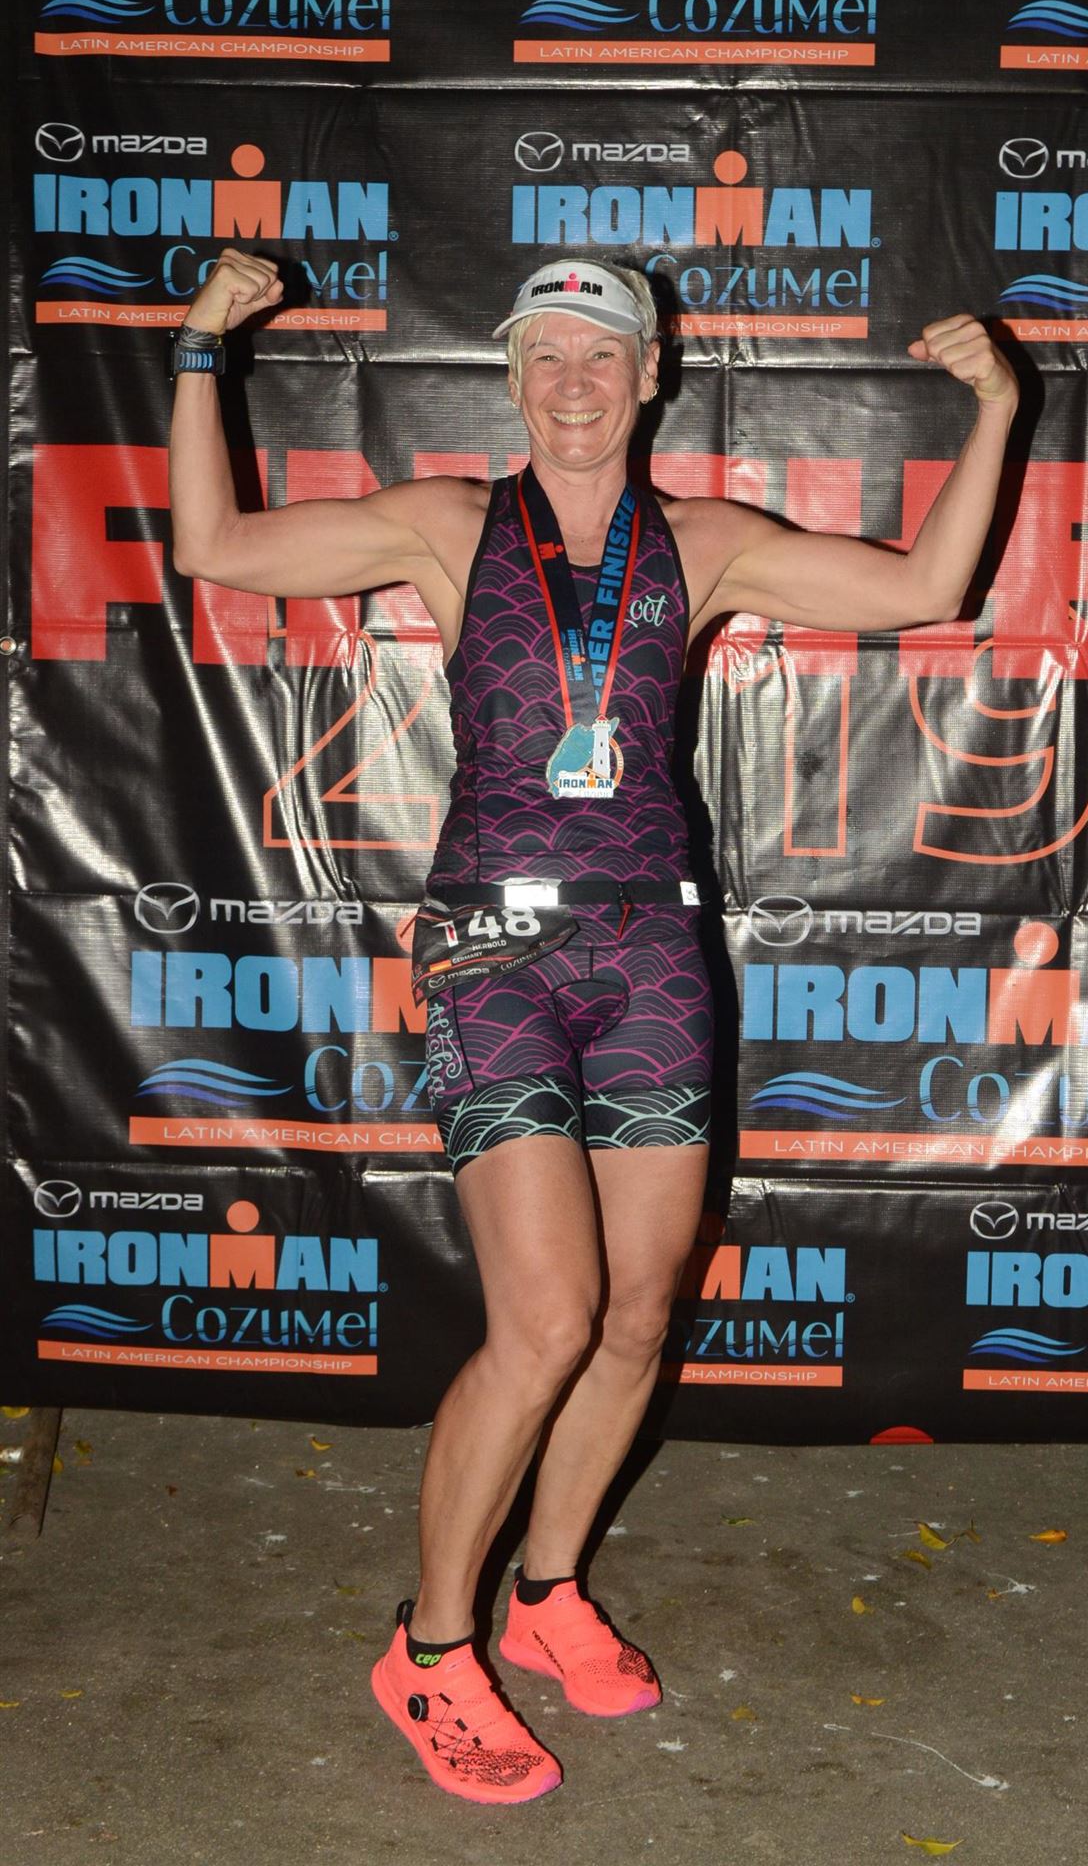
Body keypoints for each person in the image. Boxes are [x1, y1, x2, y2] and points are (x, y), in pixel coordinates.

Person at [168, 251, 1020, 1806]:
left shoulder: (703, 544)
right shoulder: (446, 524)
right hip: (494, 946)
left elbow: (925, 591)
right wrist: (199, 352)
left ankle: (548, 1593)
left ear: (650, 376)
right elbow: (215, 544)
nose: (573, 381)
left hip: (653, 954)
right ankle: (432, 1648)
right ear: (514, 378)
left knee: (635, 1318)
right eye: (546, 355)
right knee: (549, 1318)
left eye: (601, 354)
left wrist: (999, 407)